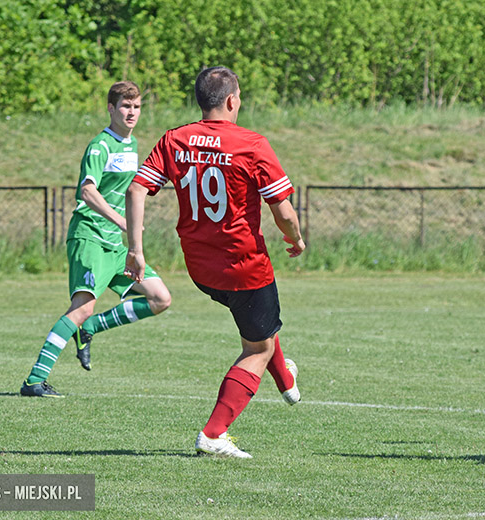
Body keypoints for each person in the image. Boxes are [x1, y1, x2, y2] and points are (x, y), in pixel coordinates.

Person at [125, 66, 305, 458]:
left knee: (261, 326)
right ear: (232, 100)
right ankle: (213, 434)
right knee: (256, 348)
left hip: (200, 267)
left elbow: (137, 188)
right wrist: (296, 238)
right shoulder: (252, 143)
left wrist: (135, 250)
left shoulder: (175, 139)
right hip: (243, 264)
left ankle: (287, 382)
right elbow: (284, 212)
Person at [20, 81, 171, 397]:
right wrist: (121, 221)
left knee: (160, 298)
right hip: (89, 236)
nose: (132, 113)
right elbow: (87, 191)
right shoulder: (100, 146)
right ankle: (34, 381)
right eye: (126, 107)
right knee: (82, 307)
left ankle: (91, 329)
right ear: (111, 109)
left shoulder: (132, 146)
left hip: (115, 243)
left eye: (137, 107)